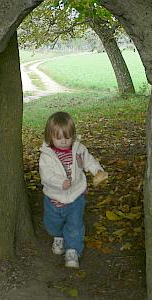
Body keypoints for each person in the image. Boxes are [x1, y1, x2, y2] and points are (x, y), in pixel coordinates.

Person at [39, 111, 107, 268]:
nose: (63, 141)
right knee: (52, 223)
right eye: (59, 138)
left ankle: (73, 250)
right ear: (50, 136)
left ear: (73, 135)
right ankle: (58, 236)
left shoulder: (78, 149)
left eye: (67, 137)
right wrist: (60, 182)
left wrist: (97, 170)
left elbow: (89, 160)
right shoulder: (46, 156)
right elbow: (46, 175)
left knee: (75, 224)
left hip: (76, 196)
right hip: (54, 198)